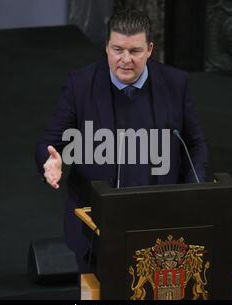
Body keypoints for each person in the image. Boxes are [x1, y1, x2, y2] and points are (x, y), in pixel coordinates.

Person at [35, 9, 208, 273]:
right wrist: (50, 162)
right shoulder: (80, 85)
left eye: (135, 51)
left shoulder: (176, 83)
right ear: (106, 47)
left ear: (150, 49)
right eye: (117, 49)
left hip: (162, 225)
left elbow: (194, 144)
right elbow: (49, 143)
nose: (125, 60)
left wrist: (192, 193)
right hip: (95, 227)